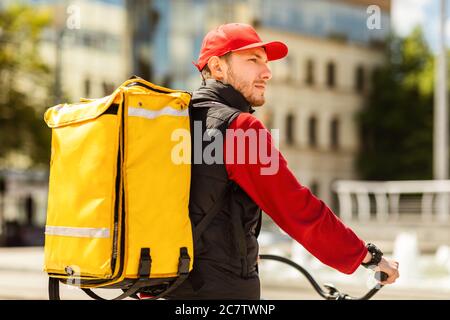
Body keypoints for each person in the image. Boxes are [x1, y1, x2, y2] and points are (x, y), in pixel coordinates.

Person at [164, 23, 399, 300]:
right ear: (217, 67)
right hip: (219, 290)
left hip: (162, 285)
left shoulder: (173, 122)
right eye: (252, 60)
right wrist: (366, 256)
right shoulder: (240, 128)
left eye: (265, 62)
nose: (267, 72)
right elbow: (296, 208)